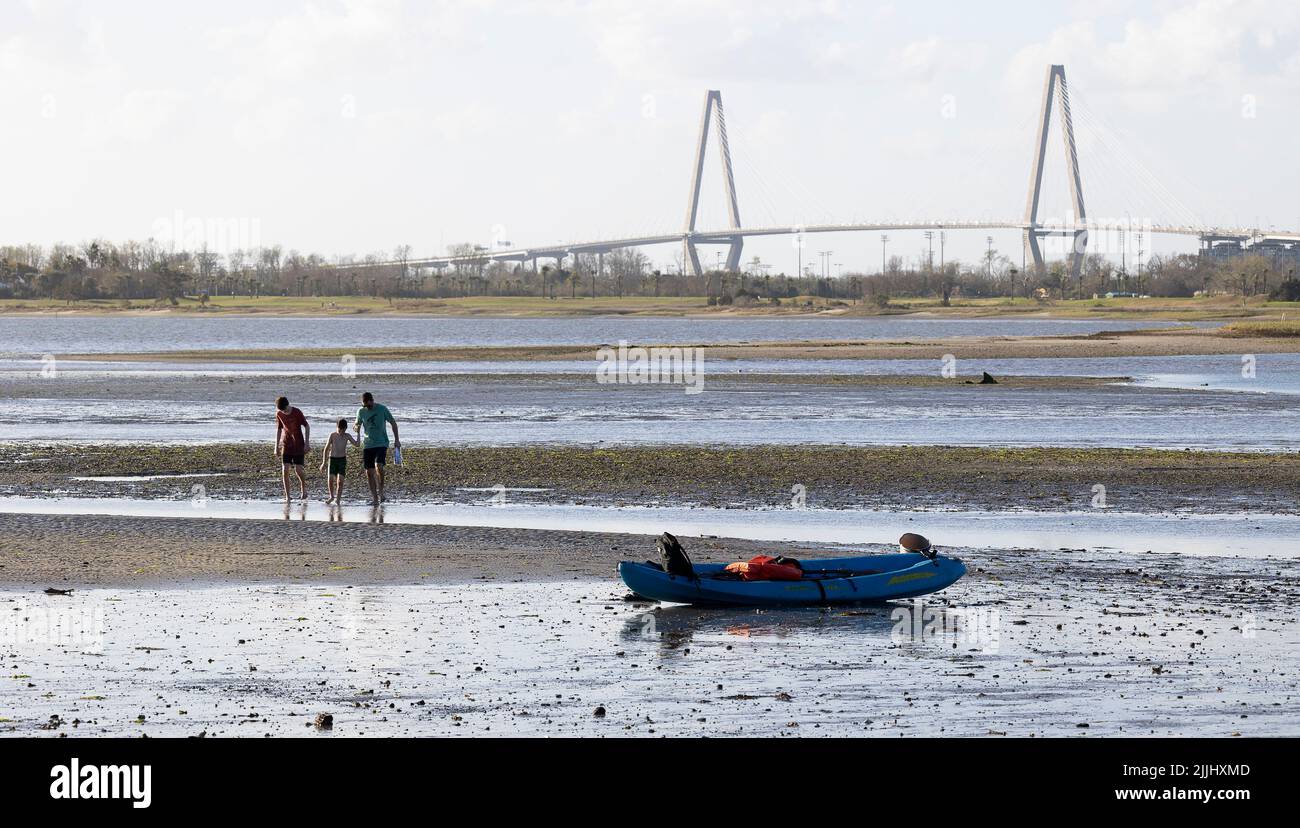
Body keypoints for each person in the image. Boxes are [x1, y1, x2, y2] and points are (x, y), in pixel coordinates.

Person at [354, 391, 400, 505]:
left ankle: (381, 491)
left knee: (379, 465)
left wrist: (397, 440)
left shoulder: (382, 409)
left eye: (368, 405)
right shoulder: (361, 411)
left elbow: (393, 423)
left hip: (381, 442)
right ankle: (375, 498)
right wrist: (356, 427)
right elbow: (356, 424)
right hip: (368, 444)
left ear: (371, 401)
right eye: (364, 406)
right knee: (369, 472)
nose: (366, 408)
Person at [274, 396, 310, 502]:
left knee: (298, 470)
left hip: (298, 445)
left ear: (288, 405)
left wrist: (307, 444)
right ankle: (287, 496)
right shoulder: (279, 414)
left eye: (285, 410)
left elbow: (307, 426)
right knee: (285, 469)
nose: (284, 412)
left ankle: (303, 488)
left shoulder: (297, 412)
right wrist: (276, 446)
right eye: (282, 411)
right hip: (286, 445)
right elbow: (279, 430)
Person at [319, 418, 359, 505]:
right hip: (332, 459)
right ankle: (331, 496)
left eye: (343, 430)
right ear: (337, 427)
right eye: (340, 429)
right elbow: (326, 449)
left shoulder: (347, 436)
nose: (341, 432)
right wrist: (324, 463)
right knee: (330, 479)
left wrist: (358, 433)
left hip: (342, 460)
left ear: (345, 429)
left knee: (340, 481)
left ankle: (338, 499)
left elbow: (357, 444)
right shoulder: (332, 435)